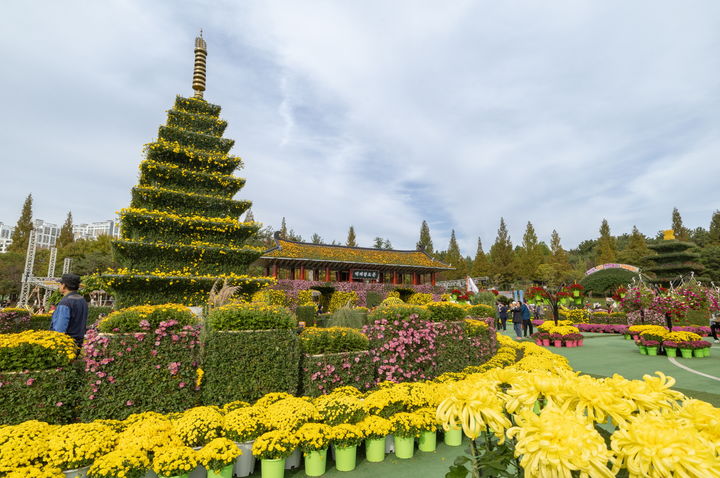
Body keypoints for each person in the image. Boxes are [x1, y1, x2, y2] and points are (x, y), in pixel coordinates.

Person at [50, 274, 88, 348]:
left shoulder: (66, 302)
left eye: (60, 284)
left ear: (64, 286)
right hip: (79, 341)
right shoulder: (82, 300)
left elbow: (60, 328)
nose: (59, 286)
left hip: (66, 343)